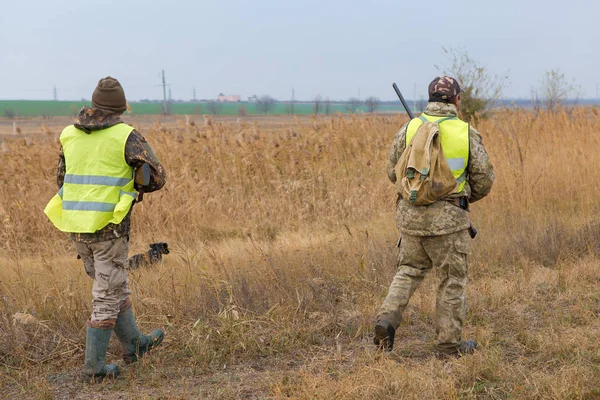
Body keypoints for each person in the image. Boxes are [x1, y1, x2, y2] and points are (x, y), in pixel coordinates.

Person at [44, 77, 168, 380]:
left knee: (113, 285)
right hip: (110, 227)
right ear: (120, 109)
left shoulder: (68, 134)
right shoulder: (126, 136)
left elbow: (62, 178)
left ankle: (135, 344)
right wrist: (136, 184)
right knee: (106, 296)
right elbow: (157, 177)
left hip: (77, 227)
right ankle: (94, 368)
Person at [374, 76, 495, 355]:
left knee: (408, 271)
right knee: (451, 280)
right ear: (455, 100)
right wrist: (461, 199)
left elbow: (393, 172)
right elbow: (485, 179)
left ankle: (386, 320)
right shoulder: (465, 132)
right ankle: (449, 346)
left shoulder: (409, 129)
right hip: (449, 223)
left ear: (430, 99)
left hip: (411, 219)